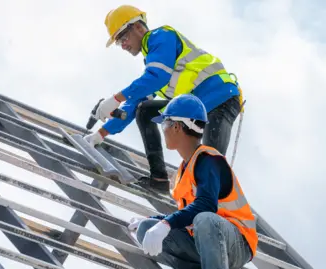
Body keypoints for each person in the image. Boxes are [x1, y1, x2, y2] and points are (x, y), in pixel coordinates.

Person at [84, 4, 244, 194]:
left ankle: (211, 215)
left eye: (123, 38)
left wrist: (115, 98)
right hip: (197, 106)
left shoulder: (161, 37)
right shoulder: (154, 61)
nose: (124, 45)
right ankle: (159, 179)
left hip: (220, 98)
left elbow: (156, 76)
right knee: (144, 109)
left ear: (138, 27)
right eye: (120, 42)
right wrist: (100, 134)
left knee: (207, 171)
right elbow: (134, 105)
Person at [127, 94, 258, 268]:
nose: (162, 129)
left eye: (164, 123)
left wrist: (166, 224)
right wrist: (154, 220)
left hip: (236, 242)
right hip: (204, 239)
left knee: (205, 219)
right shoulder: (184, 170)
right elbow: (189, 214)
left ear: (177, 127)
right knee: (146, 229)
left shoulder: (209, 160)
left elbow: (206, 206)